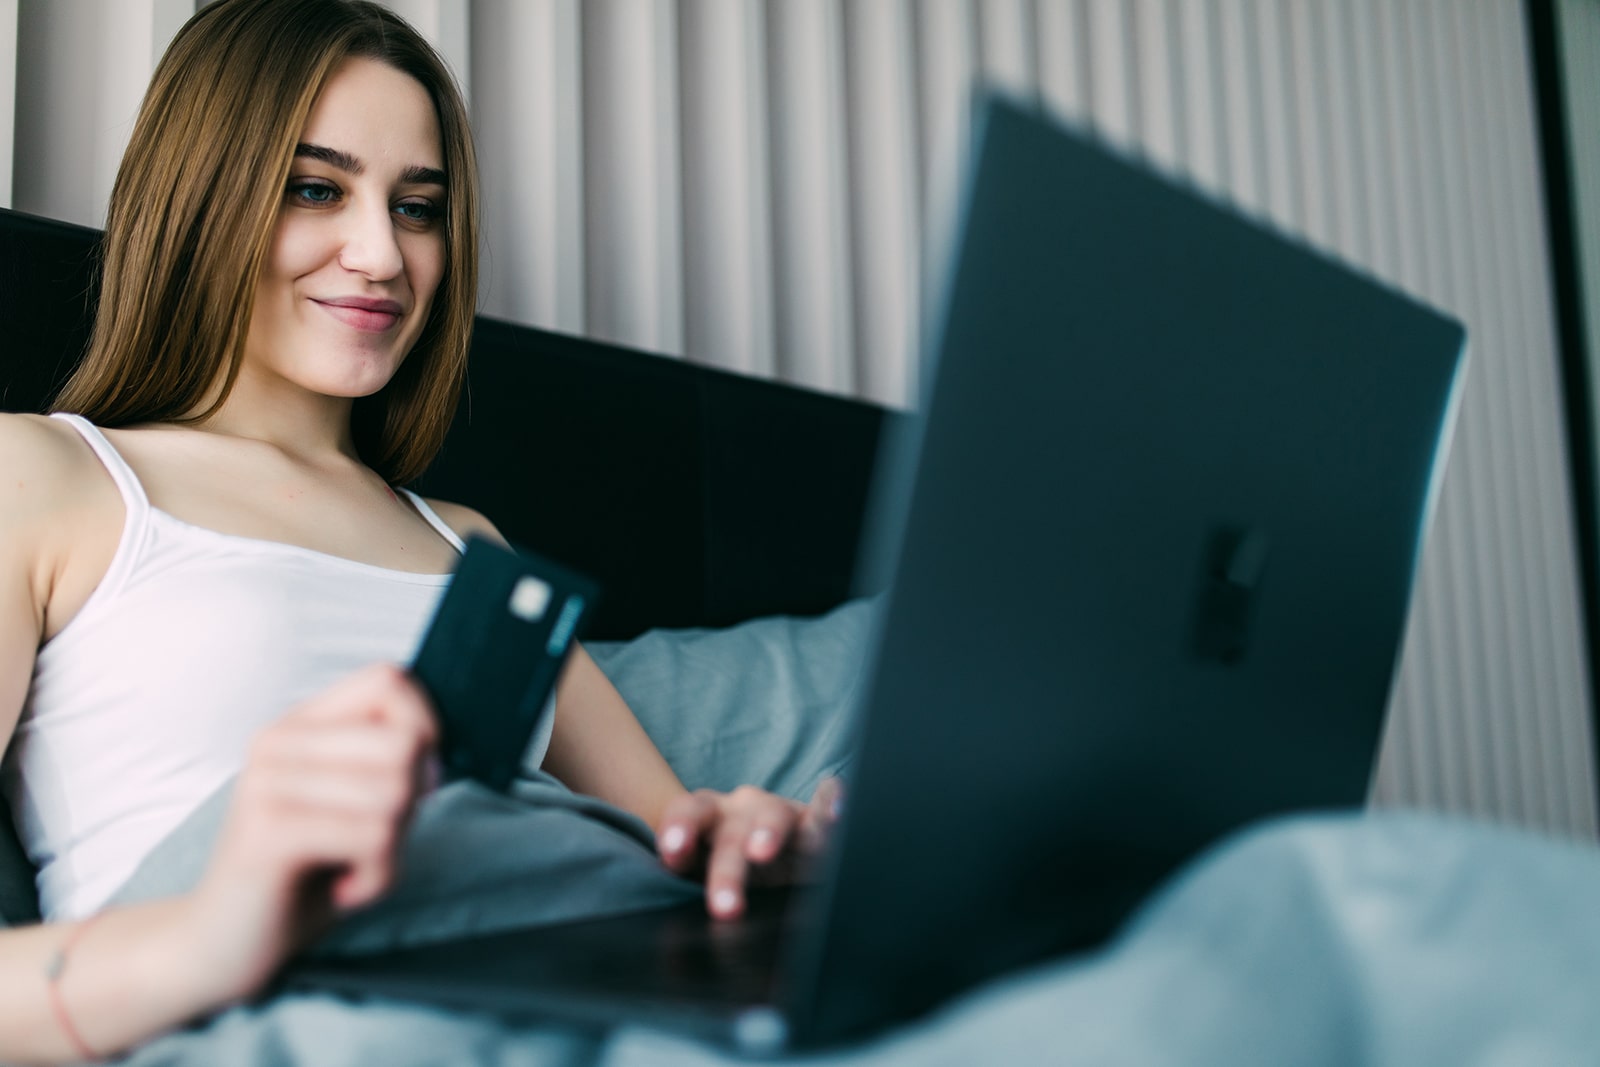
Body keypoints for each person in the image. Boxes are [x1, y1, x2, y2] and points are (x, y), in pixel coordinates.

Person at [0, 1, 839, 1061]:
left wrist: (758, 856)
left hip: (565, 973)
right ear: (201, 198)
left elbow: (671, 844)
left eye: (418, 207)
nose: (382, 254)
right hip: (275, 996)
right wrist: (205, 938)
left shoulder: (465, 543)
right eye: (317, 188)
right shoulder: (47, 475)